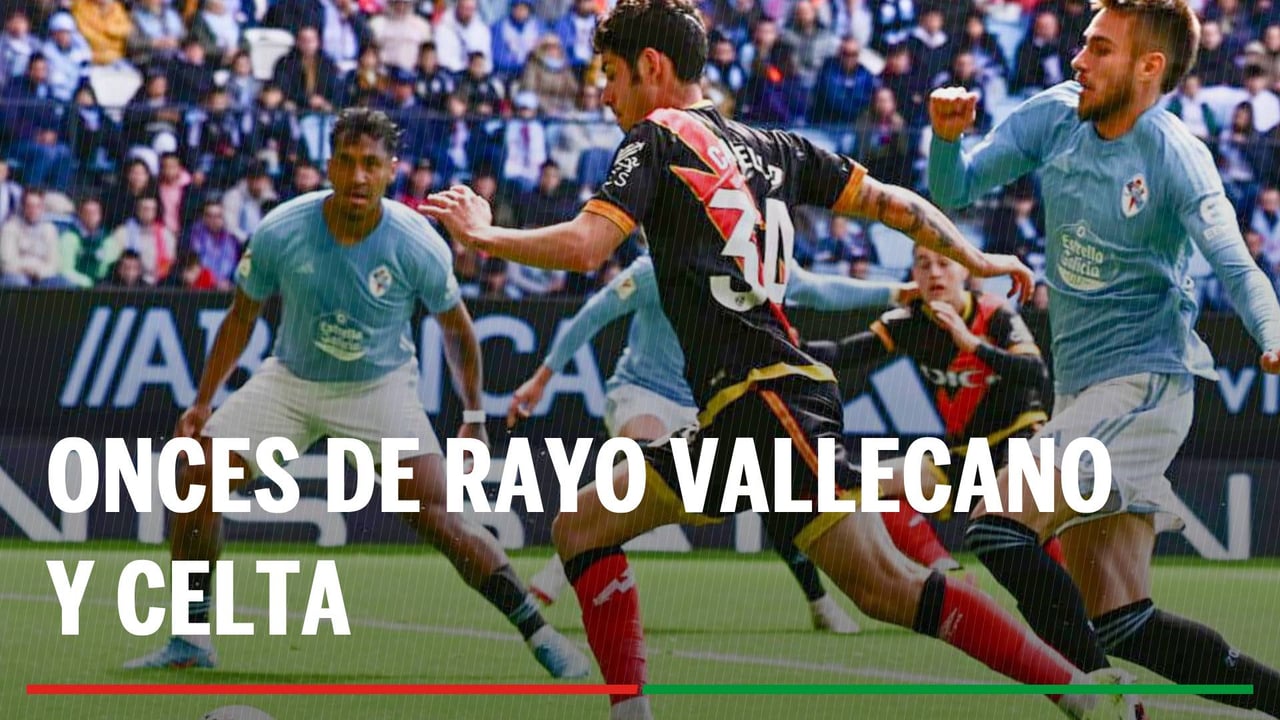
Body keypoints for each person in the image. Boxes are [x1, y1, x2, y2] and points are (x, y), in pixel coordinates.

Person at [424, 1, 1139, 718]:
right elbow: (889, 202)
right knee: (582, 526)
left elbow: (586, 247)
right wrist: (973, 257)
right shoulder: (774, 146)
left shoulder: (655, 138)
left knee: (886, 585)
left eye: (610, 73)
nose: (604, 93)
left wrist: (483, 236)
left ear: (652, 66)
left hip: (765, 401)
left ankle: (1077, 690)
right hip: (743, 409)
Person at [124, 108, 590, 680]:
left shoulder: (415, 241)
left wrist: (474, 415)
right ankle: (189, 637)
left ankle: (540, 633)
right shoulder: (282, 229)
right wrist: (203, 401)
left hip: (379, 388)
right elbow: (241, 316)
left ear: (391, 170)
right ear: (329, 165)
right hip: (291, 382)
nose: (358, 176)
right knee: (197, 476)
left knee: (438, 516)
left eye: (371, 163)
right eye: (346, 162)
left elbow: (458, 331)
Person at [927, 0, 1280, 716]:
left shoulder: (1175, 154)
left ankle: (1105, 703)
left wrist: (1272, 333)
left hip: (1144, 385)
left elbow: (1236, 266)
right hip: (1083, 392)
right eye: (1085, 43)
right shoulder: (1055, 116)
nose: (1079, 60)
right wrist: (944, 140)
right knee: (1123, 620)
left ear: (1149, 67)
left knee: (998, 524)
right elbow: (953, 189)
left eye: (1101, 50)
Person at [512, 253, 915, 634]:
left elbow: (818, 289)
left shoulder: (760, 261)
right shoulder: (659, 268)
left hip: (706, 407)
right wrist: (541, 379)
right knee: (638, 467)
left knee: (774, 494)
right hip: (642, 392)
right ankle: (565, 563)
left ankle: (820, 603)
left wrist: (895, 292)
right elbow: (594, 313)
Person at [807, 244, 1059, 573]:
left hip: (1019, 441)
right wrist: (789, 344)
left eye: (944, 263)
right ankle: (947, 574)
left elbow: (1036, 373)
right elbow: (841, 354)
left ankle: (1073, 597)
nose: (934, 273)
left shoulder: (993, 312)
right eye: (924, 265)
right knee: (864, 484)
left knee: (1013, 522)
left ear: (965, 269)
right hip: (964, 456)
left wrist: (972, 344)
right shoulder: (909, 321)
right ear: (914, 273)